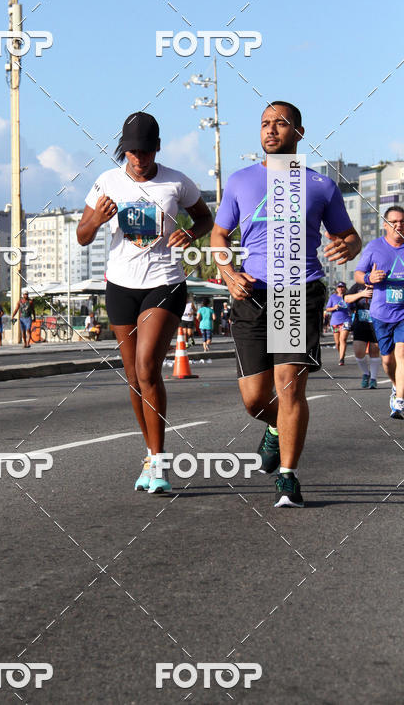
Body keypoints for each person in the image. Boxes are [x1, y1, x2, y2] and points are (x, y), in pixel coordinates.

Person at [210, 101, 361, 507]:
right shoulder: (241, 181)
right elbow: (219, 236)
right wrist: (228, 273)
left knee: (288, 388)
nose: (271, 130)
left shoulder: (321, 185)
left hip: (299, 291)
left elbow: (349, 236)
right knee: (254, 398)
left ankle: (288, 478)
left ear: (299, 132)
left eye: (280, 123)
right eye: (265, 124)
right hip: (251, 293)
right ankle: (276, 429)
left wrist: (346, 246)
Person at [77, 112, 213, 494]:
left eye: (145, 151)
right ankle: (150, 453)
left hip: (164, 283)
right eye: (132, 152)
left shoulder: (176, 182)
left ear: (157, 148)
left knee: (147, 367)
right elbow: (82, 236)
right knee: (134, 379)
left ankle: (160, 461)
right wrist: (98, 220)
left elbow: (205, 218)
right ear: (124, 150)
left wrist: (190, 233)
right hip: (121, 285)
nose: (138, 158)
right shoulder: (107, 182)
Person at [354, 205, 404, 419]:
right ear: (385, 225)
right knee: (387, 361)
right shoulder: (375, 247)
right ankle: (395, 385)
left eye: (402, 222)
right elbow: (358, 273)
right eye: (394, 222)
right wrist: (368, 279)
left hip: (403, 313)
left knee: (402, 354)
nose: (399, 225)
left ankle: (400, 401)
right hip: (381, 312)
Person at [344, 281, 380, 389]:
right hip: (361, 323)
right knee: (359, 352)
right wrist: (361, 294)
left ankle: (373, 379)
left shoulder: (381, 285)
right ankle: (366, 373)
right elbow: (346, 298)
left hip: (377, 323)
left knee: (374, 351)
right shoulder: (358, 285)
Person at [325, 282, 351, 365]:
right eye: (339, 287)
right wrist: (334, 307)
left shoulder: (348, 297)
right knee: (337, 343)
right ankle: (341, 353)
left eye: (342, 287)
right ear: (336, 289)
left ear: (345, 288)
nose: (340, 288)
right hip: (335, 322)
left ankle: (341, 358)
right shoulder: (333, 297)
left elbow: (353, 306)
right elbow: (327, 309)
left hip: (346, 321)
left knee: (343, 339)